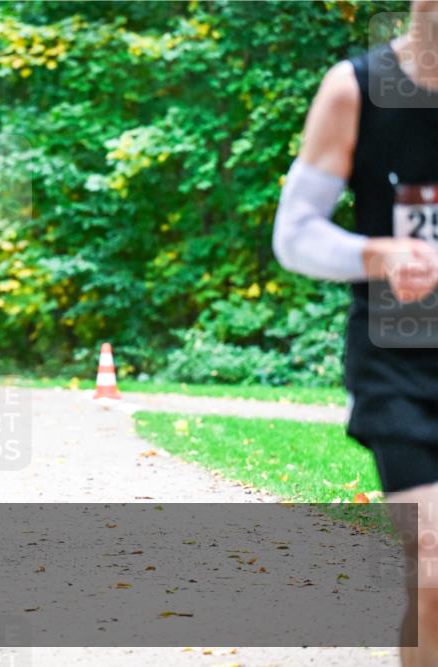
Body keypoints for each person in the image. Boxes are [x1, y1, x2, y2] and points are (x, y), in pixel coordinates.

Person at [272, 4, 437, 664]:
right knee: (434, 570)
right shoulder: (357, 89)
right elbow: (294, 234)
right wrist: (379, 254)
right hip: (402, 367)